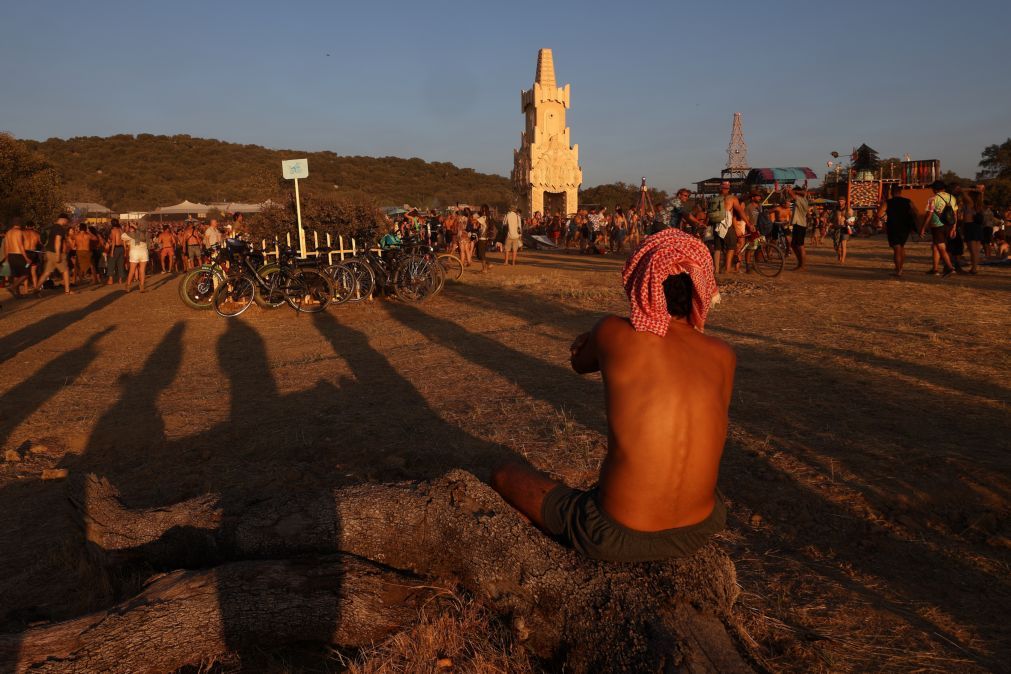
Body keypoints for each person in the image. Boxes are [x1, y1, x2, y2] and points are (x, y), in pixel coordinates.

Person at [491, 229, 732, 561]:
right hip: (703, 524)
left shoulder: (613, 331)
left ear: (642, 283)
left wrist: (590, 341)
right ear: (701, 288)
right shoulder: (723, 354)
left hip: (616, 532)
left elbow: (580, 363)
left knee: (504, 473)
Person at [920, 180, 957, 276]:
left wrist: (923, 227)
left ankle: (950, 268)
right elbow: (955, 213)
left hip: (937, 225)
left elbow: (929, 214)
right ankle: (935, 269)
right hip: (949, 225)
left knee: (941, 247)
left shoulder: (933, 199)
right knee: (935, 246)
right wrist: (954, 228)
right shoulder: (951, 197)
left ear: (935, 189)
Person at [876, 185, 916, 276]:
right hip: (905, 227)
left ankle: (898, 270)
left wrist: (883, 220)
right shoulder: (908, 201)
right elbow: (915, 212)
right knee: (901, 246)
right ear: (900, 192)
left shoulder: (888, 202)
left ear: (891, 193)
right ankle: (900, 267)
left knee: (897, 248)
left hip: (893, 227)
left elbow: (879, 214)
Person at [709, 181, 747, 273]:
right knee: (731, 247)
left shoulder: (714, 199)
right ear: (728, 189)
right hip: (727, 225)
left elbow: (709, 214)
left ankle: (716, 270)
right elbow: (740, 211)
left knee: (717, 248)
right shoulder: (732, 199)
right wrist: (748, 223)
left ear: (720, 188)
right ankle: (727, 269)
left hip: (716, 224)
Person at [2, 218, 33, 297]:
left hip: (10, 255)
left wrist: (6, 258)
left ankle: (17, 294)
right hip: (19, 255)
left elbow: (6, 246)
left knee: (16, 275)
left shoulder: (8, 232)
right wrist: (26, 258)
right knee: (26, 273)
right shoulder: (19, 232)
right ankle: (12, 287)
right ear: (20, 224)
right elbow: (20, 245)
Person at [784, 184, 810, 271]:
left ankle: (802, 266)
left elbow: (792, 194)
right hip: (797, 224)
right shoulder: (801, 200)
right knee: (794, 245)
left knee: (800, 246)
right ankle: (800, 264)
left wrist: (790, 190)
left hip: (800, 224)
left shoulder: (801, 200)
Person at [123, 221, 150, 292]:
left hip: (134, 252)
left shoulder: (129, 235)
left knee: (132, 270)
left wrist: (127, 227)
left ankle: (128, 286)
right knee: (142, 270)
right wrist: (134, 225)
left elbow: (123, 235)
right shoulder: (144, 233)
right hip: (143, 252)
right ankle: (141, 287)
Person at [106, 218, 126, 285]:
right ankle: (120, 280)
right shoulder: (121, 230)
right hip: (122, 248)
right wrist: (125, 250)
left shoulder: (113, 230)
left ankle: (110, 280)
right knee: (120, 265)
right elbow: (124, 241)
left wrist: (111, 251)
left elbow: (114, 241)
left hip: (116, 248)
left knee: (111, 264)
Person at [476, 204, 492, 272]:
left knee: (481, 254)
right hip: (485, 238)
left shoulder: (483, 217)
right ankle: (488, 264)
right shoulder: (488, 218)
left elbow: (475, 222)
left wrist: (475, 215)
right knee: (479, 254)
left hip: (482, 238)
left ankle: (484, 268)